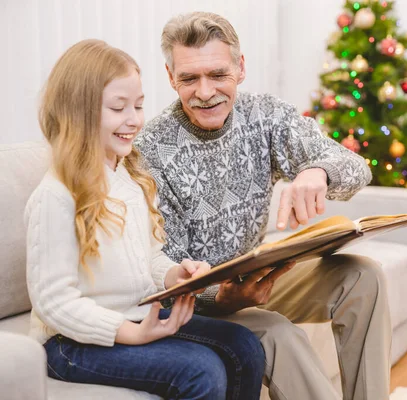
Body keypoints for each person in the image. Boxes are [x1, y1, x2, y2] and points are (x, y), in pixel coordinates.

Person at [135, 12, 392, 400]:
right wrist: (218, 296)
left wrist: (317, 171)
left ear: (240, 68)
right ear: (171, 77)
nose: (205, 92)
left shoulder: (266, 115)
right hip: (199, 303)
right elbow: (163, 270)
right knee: (277, 332)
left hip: (256, 277)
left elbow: (357, 168)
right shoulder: (152, 149)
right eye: (189, 78)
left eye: (218, 74)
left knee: (363, 276)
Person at [25, 39, 265, 400]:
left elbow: (150, 257)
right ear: (79, 112)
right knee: (201, 371)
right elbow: (55, 304)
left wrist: (174, 275)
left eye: (138, 105)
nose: (135, 120)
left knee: (244, 346)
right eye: (118, 108)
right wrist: (131, 332)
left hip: (135, 314)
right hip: (69, 343)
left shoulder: (129, 176)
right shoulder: (57, 196)